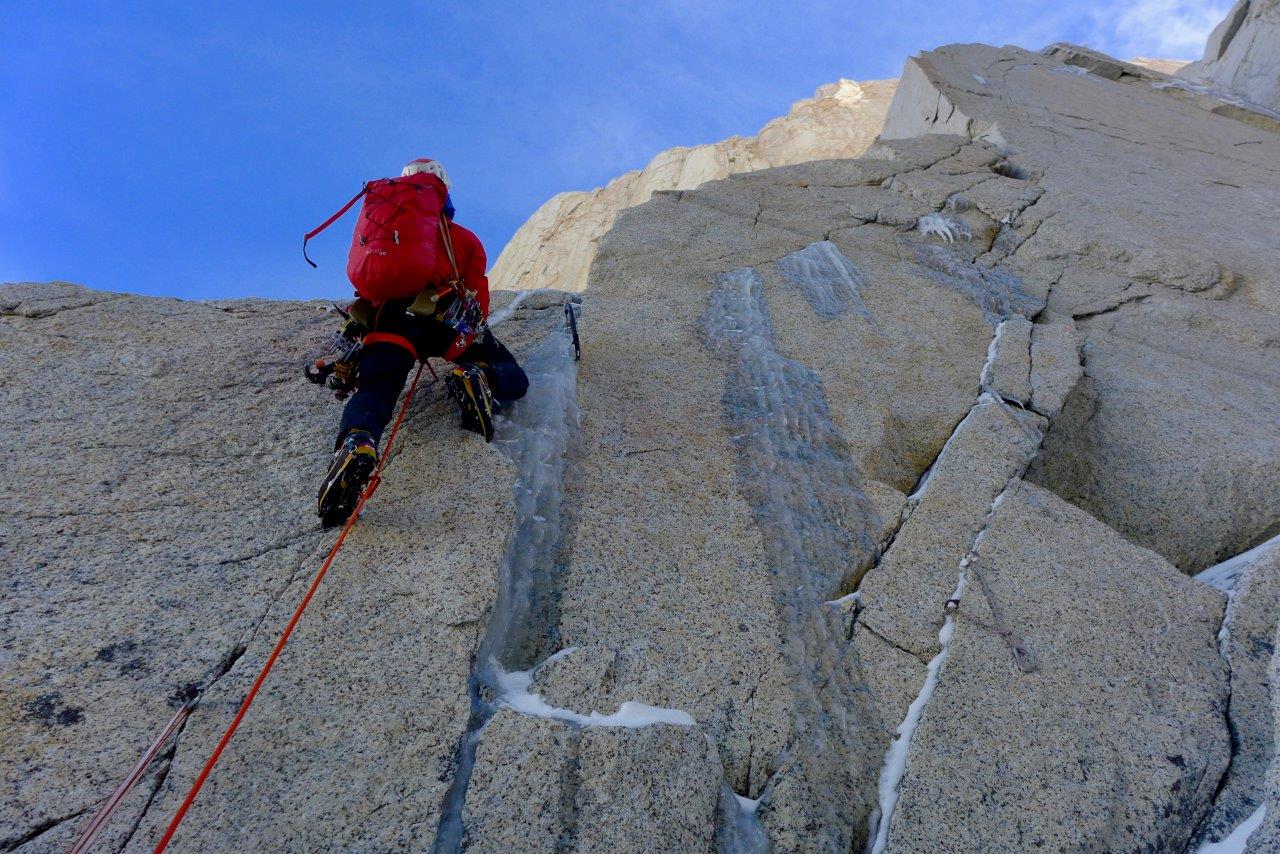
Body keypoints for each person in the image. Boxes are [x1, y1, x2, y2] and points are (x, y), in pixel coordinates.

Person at [317, 158, 528, 527]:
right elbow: (478, 297)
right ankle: (478, 376)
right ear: (444, 191)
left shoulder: (384, 228)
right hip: (445, 321)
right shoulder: (462, 238)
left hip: (389, 323)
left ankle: (359, 441)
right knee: (513, 374)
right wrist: (470, 335)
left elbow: (368, 283)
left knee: (376, 388)